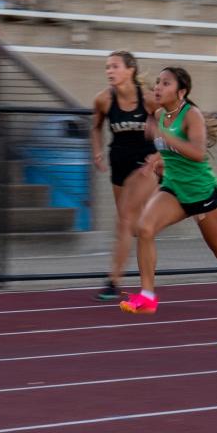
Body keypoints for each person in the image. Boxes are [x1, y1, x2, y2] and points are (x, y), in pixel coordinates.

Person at [119, 66, 217, 314]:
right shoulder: (159, 115)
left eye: (165, 83)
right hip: (173, 189)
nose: (158, 87)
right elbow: (168, 147)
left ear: (181, 93)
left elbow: (198, 153)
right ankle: (148, 295)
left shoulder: (192, 115)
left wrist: (163, 138)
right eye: (157, 82)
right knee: (144, 228)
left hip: (201, 192)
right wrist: (157, 160)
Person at [90, 51, 161, 302]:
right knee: (130, 223)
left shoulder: (150, 100)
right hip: (118, 162)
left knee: (125, 220)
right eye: (107, 67)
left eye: (115, 66)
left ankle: (113, 280)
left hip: (144, 165)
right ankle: (158, 220)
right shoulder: (103, 100)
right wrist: (97, 151)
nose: (110, 71)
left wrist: (158, 156)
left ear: (130, 70)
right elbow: (96, 127)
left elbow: (169, 125)